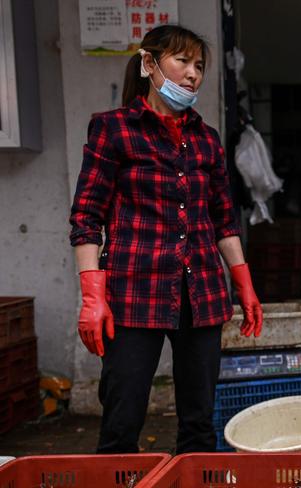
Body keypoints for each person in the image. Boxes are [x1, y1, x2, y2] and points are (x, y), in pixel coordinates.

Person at [69, 25, 263, 454]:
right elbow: (87, 215)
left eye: (199, 66)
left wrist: (243, 281)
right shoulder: (113, 129)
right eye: (183, 61)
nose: (193, 74)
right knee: (123, 415)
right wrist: (92, 295)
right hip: (134, 291)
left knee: (199, 419)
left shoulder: (206, 139)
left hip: (202, 291)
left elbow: (223, 219)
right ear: (149, 63)